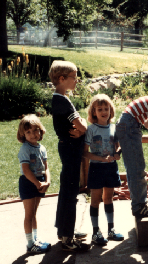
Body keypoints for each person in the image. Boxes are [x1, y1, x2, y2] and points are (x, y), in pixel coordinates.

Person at [49, 60, 90, 252]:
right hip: (71, 150)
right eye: (74, 78)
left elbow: (78, 122)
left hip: (68, 148)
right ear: (62, 79)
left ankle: (64, 230)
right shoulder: (62, 101)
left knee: (67, 189)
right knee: (70, 192)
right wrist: (84, 129)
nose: (77, 81)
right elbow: (81, 126)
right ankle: (67, 239)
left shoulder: (60, 99)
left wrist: (81, 126)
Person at [83, 94, 124, 245]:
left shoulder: (114, 127)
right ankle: (95, 232)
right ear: (93, 112)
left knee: (108, 198)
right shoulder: (91, 129)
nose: (103, 112)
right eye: (99, 109)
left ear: (111, 110)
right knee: (95, 200)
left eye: (106, 108)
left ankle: (111, 230)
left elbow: (117, 145)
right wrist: (101, 159)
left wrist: (117, 153)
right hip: (96, 168)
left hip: (111, 167)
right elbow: (84, 152)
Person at [17, 114, 51, 254]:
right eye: (28, 132)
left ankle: (36, 239)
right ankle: (30, 244)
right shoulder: (25, 149)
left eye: (35, 130)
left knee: (34, 213)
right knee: (29, 214)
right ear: (23, 134)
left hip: (40, 181)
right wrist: (37, 183)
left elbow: (46, 167)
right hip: (29, 183)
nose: (33, 134)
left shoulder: (41, 148)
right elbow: (26, 170)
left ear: (40, 130)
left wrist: (47, 181)